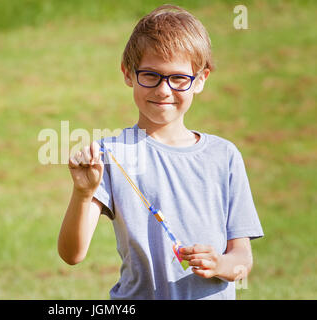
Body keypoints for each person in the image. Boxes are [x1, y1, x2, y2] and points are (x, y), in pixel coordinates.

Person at [58, 4, 264, 300]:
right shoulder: (111, 155)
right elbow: (72, 254)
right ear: (128, 74)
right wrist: (82, 193)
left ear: (201, 79)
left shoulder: (225, 156)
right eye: (151, 75)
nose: (164, 90)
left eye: (179, 78)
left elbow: (242, 259)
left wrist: (220, 263)